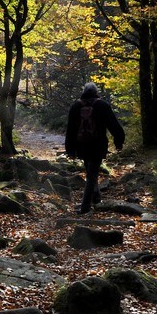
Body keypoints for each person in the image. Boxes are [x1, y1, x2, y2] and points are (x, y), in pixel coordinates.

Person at [65, 81, 125, 214]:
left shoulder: (76, 106)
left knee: (91, 172)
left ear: (84, 91)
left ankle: (96, 198)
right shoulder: (102, 105)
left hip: (82, 146)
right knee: (92, 174)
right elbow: (113, 125)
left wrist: (70, 150)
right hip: (98, 145)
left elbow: (70, 129)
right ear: (96, 91)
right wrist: (119, 141)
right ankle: (85, 206)